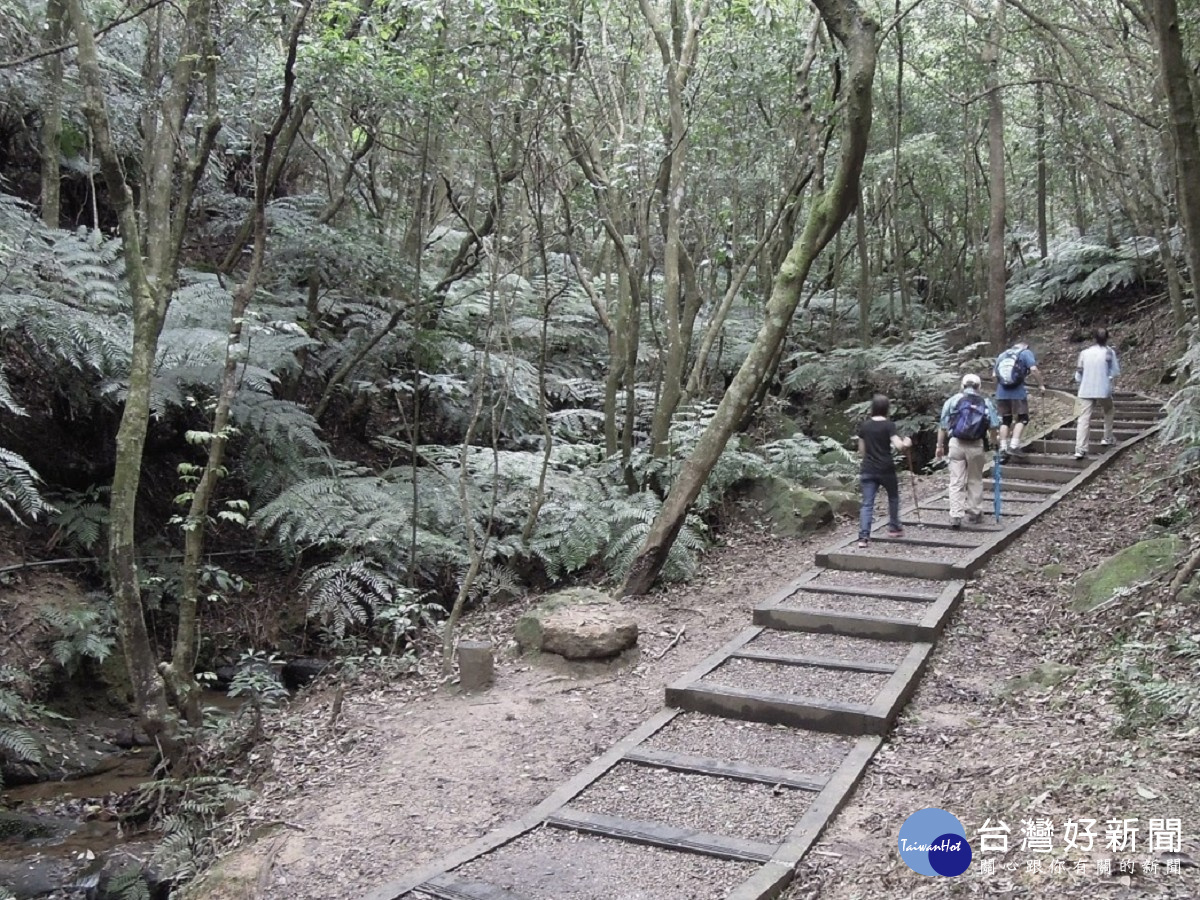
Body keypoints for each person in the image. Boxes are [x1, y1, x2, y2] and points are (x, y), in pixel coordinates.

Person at [936, 374, 1001, 528]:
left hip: (956, 444)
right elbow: (993, 426)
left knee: (956, 480)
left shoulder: (952, 401)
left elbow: (943, 426)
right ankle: (974, 512)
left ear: (962, 386)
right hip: (976, 445)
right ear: (979, 387)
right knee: (975, 479)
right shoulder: (985, 403)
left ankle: (956, 515)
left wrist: (939, 446)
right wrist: (994, 443)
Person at [856, 394, 913, 548]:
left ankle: (863, 537)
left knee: (867, 503)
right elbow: (899, 446)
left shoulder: (865, 426)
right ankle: (894, 527)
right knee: (893, 497)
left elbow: (862, 450)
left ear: (872, 408)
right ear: (887, 408)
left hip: (868, 468)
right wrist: (907, 442)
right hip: (886, 468)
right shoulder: (889, 425)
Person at [993, 341, 1045, 459]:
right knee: (1023, 418)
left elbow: (993, 376)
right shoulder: (1025, 353)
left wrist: (999, 389)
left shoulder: (1002, 355)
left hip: (1001, 392)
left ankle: (1003, 448)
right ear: (1026, 346)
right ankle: (1014, 446)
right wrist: (1041, 385)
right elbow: (1033, 369)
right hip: (1017, 392)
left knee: (1005, 420)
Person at [1074, 327, 1121, 459]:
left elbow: (1078, 374)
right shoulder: (1109, 352)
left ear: (1094, 338)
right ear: (1107, 338)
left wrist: (1082, 380)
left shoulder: (1084, 353)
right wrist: (1107, 378)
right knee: (1109, 409)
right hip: (1103, 389)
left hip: (1085, 389)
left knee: (1083, 418)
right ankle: (1107, 437)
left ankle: (1080, 448)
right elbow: (1114, 371)